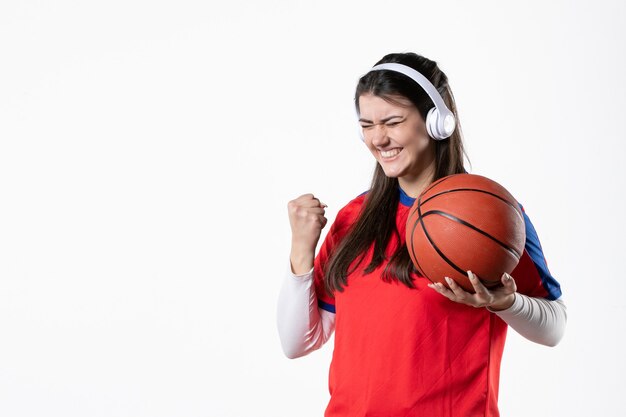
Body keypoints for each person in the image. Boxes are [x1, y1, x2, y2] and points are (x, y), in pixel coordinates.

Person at [277, 52, 567, 417]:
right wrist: (301, 251)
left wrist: (504, 302)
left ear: (438, 121)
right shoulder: (355, 218)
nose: (378, 139)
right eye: (367, 125)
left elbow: (554, 327)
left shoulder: (489, 216)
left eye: (393, 121)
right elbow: (297, 342)